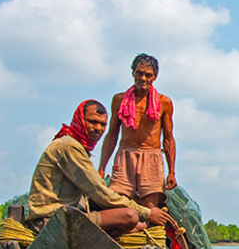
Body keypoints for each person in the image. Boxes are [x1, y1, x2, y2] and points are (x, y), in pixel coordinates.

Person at [27, 100, 174, 235]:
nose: (98, 128)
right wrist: (147, 213)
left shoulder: (76, 146)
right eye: (92, 122)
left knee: (136, 224)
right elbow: (99, 192)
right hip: (51, 220)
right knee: (130, 216)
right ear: (80, 120)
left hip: (64, 216)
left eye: (103, 124)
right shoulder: (69, 147)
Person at [98, 53, 176, 209]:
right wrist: (101, 167)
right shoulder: (119, 100)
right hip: (125, 154)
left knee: (150, 207)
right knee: (119, 204)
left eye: (148, 75)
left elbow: (168, 139)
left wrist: (171, 172)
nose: (143, 78)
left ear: (155, 77)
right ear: (133, 73)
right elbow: (112, 135)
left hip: (152, 155)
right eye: (139, 73)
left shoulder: (164, 102)